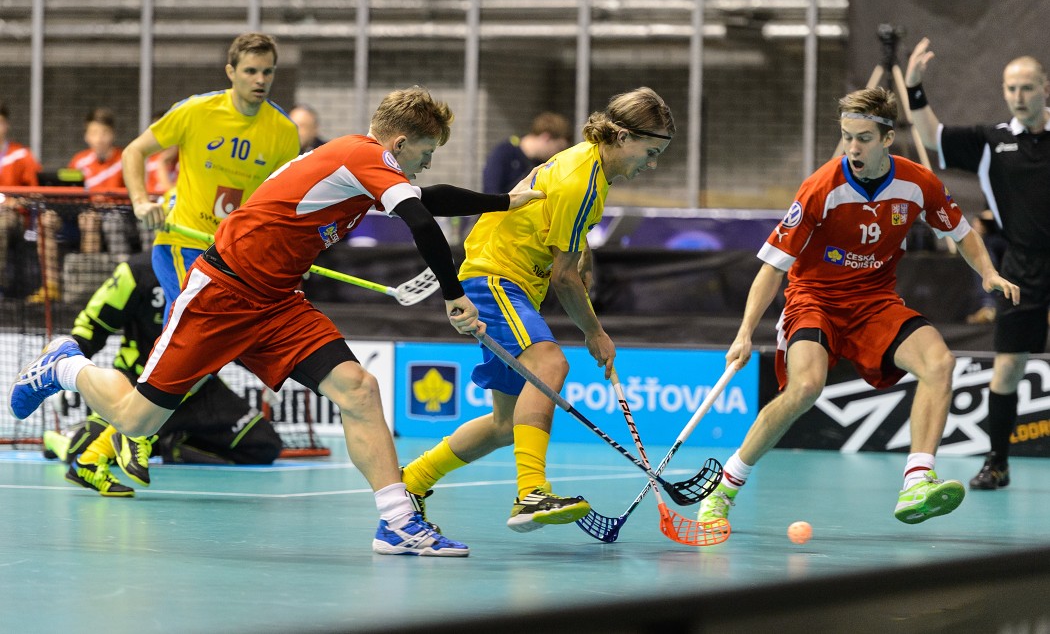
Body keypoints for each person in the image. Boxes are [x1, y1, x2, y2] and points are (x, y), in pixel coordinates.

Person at [11, 86, 544, 557]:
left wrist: (504, 201)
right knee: (135, 420)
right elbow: (421, 222)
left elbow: (432, 198)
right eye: (428, 150)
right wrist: (454, 297)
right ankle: (62, 366)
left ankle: (398, 523)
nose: (428, 161)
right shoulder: (360, 156)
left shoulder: (365, 169)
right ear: (400, 143)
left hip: (278, 303)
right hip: (221, 295)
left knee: (358, 388)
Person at [696, 87, 1019, 529]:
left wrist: (987, 273)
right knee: (805, 388)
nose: (852, 148)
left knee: (939, 362)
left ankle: (917, 483)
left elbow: (962, 232)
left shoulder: (917, 182)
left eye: (863, 138)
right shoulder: (820, 188)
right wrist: (744, 332)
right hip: (814, 300)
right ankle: (726, 487)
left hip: (875, 301)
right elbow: (771, 269)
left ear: (887, 138)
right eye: (847, 136)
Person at [402, 87, 675, 533]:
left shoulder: (589, 165)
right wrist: (595, 333)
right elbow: (565, 279)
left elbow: (562, 238)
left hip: (510, 279)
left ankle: (411, 481)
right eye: (651, 151)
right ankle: (531, 493)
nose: (653, 163)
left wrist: (579, 254)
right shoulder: (582, 180)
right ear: (623, 137)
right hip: (496, 277)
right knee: (549, 362)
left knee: (504, 423)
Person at [906, 39, 1050, 490]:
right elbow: (931, 136)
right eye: (1012, 88)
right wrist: (913, 86)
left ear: (1046, 88)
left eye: (1027, 87)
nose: (1019, 95)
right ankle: (998, 462)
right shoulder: (993, 141)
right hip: (1023, 267)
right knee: (1008, 366)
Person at [53, 250, 282, 497]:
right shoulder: (137, 271)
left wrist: (267, 370)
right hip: (140, 388)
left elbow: (229, 334)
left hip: (197, 389)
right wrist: (70, 365)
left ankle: (167, 442)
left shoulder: (222, 267)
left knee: (263, 445)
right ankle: (60, 438)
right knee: (79, 453)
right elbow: (93, 324)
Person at [121, 32, 300, 322]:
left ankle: (178, 368)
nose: (260, 80)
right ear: (231, 72)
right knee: (194, 315)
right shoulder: (196, 111)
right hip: (183, 240)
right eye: (250, 71)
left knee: (219, 332)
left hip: (236, 250)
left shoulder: (284, 131)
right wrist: (141, 202)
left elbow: (284, 201)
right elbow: (134, 151)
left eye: (267, 72)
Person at [30, 107, 132, 303]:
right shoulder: (79, 160)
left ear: (113, 134)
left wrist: (108, 203)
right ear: (87, 136)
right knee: (47, 219)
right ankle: (50, 285)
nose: (99, 138)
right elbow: (69, 191)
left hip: (110, 218)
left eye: (104, 133)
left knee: (89, 220)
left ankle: (87, 286)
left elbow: (131, 198)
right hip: (76, 214)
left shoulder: (124, 159)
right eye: (94, 133)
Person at [0, 100, 43, 294]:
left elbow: (36, 194)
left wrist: (16, 202)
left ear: (6, 124)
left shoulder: (21, 155)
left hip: (14, 218)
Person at [481, 111, 572, 194]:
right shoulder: (505, 152)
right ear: (546, 138)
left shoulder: (543, 165)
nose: (558, 153)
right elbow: (491, 192)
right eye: (559, 148)